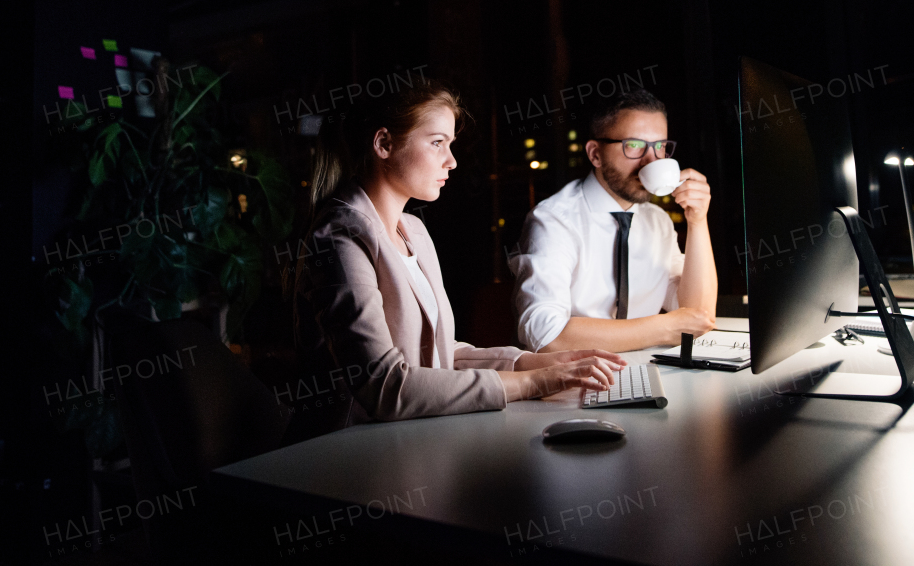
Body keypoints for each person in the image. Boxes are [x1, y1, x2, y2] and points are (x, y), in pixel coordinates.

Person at [289, 77, 625, 435]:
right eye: (437, 143)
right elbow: (385, 386)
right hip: (341, 450)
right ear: (384, 143)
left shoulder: (412, 229)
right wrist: (535, 382)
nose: (451, 161)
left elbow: (437, 354)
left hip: (402, 438)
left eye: (450, 144)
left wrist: (532, 362)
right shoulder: (341, 235)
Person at [509, 88, 718, 353]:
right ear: (595, 153)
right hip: (575, 381)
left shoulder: (658, 221)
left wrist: (698, 221)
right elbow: (546, 334)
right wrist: (664, 327)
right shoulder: (553, 220)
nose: (651, 161)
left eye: (660, 147)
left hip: (649, 374)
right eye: (634, 145)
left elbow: (697, 314)